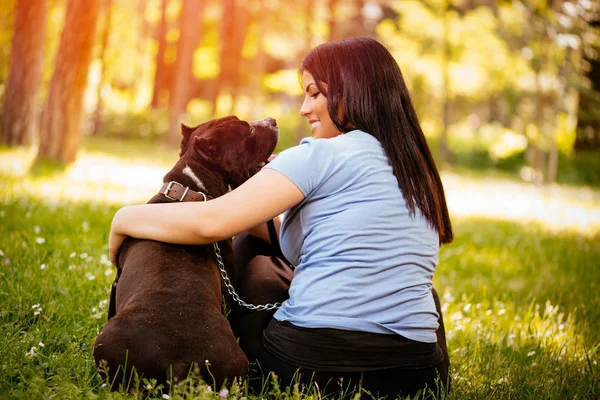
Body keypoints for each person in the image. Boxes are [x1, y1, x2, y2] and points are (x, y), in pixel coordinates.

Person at [109, 37, 453, 399]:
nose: (305, 108)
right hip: (419, 373)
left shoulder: (318, 155)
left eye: (314, 93)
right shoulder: (417, 169)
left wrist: (125, 218)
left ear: (353, 92)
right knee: (422, 292)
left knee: (257, 269)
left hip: (316, 367)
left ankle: (197, 343)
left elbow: (209, 224)